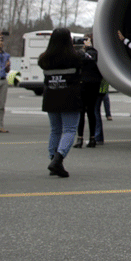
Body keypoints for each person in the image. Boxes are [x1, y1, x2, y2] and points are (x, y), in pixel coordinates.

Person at [40, 28, 86, 178]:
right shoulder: (75, 57)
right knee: (70, 129)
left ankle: (53, 158)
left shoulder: (44, 59)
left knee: (55, 130)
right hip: (69, 97)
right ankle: (58, 159)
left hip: (51, 96)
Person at [75, 34, 104, 148]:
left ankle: (91, 138)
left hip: (89, 84)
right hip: (87, 83)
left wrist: (88, 48)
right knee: (82, 112)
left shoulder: (94, 53)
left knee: (89, 112)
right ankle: (81, 138)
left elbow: (90, 58)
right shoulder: (81, 53)